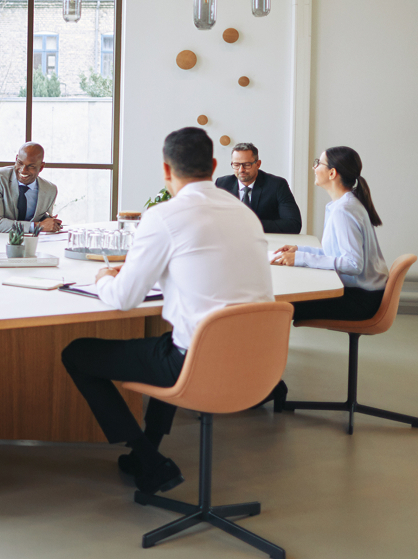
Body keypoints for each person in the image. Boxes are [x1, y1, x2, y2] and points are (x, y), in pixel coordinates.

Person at [60, 127, 274, 495]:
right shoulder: (245, 215)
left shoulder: (164, 217)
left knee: (77, 353)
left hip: (197, 363)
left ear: (165, 169)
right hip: (259, 362)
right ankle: (150, 451)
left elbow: (123, 298)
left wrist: (102, 278)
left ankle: (149, 458)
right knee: (165, 341)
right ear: (213, 165)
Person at [271, 146, 388, 322]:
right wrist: (299, 251)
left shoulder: (344, 210)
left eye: (318, 163)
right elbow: (336, 253)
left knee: (277, 305)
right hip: (361, 293)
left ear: (332, 173)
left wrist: (302, 258)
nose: (314, 167)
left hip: (360, 300)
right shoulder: (343, 204)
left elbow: (353, 264)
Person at [0, 142, 63, 235]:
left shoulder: (50, 190)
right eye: (20, 163)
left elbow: (41, 219)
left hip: (23, 244)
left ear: (41, 167)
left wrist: (50, 223)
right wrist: (37, 226)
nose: (23, 170)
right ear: (16, 159)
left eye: (31, 166)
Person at [214, 142, 302, 233]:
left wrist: (250, 224)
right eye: (236, 165)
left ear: (258, 164)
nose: (241, 170)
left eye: (247, 165)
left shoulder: (277, 185)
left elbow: (293, 224)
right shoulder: (222, 184)